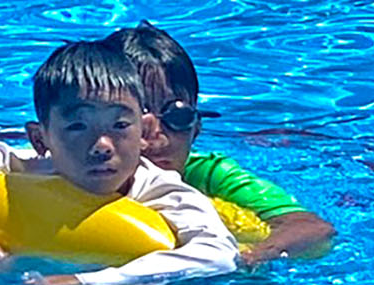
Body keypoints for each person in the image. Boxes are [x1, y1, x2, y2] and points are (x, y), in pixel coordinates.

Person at [0, 40, 239, 285]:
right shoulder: (26, 164)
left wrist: (82, 282)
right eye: (77, 127)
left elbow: (219, 255)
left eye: (120, 126)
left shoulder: (166, 193)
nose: (102, 146)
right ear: (41, 139)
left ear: (146, 131)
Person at [102, 22, 336, 264]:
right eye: (134, 118)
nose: (157, 135)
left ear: (196, 128)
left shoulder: (208, 174)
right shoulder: (79, 168)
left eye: (178, 117)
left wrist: (252, 256)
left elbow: (313, 228)